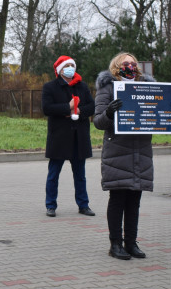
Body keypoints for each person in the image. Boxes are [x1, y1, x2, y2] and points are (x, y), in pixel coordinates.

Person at [93, 52, 157, 260]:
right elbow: (98, 121)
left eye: (133, 63)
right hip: (117, 151)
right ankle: (115, 244)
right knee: (118, 199)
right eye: (125, 63)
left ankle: (131, 243)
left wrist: (169, 111)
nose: (130, 65)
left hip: (141, 151)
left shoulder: (147, 87)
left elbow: (155, 117)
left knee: (134, 201)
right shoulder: (108, 88)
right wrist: (110, 112)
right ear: (116, 66)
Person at [42, 55, 96, 218]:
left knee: (80, 175)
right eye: (67, 65)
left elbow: (91, 106)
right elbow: (47, 108)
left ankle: (83, 205)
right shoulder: (50, 87)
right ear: (60, 69)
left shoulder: (82, 86)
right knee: (53, 174)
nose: (71, 68)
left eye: (73, 65)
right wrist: (68, 107)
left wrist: (79, 111)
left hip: (79, 138)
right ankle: (50, 205)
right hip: (59, 138)